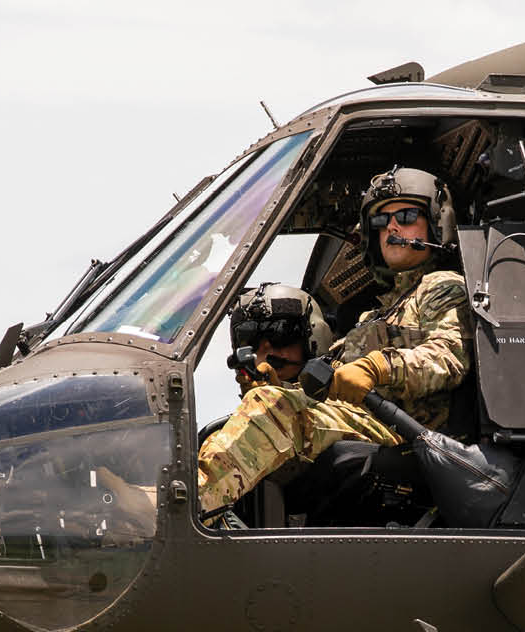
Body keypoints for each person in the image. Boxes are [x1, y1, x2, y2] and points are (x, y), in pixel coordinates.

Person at [196, 167, 471, 515]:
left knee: (273, 409)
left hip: (403, 431)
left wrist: (378, 367)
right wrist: (282, 385)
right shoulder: (373, 316)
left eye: (406, 215)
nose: (392, 228)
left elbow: (448, 357)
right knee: (229, 423)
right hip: (357, 421)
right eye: (381, 221)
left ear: (435, 221)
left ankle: (189, 510)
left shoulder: (442, 287)